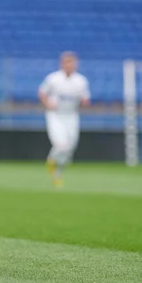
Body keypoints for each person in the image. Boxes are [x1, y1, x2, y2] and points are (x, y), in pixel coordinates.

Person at [38, 51, 90, 188]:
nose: (70, 65)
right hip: (55, 115)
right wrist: (48, 103)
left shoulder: (81, 81)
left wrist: (85, 102)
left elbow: (85, 98)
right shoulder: (54, 79)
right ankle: (51, 161)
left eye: (72, 62)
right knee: (61, 144)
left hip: (71, 115)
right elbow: (42, 92)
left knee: (70, 147)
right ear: (62, 63)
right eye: (67, 62)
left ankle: (58, 172)